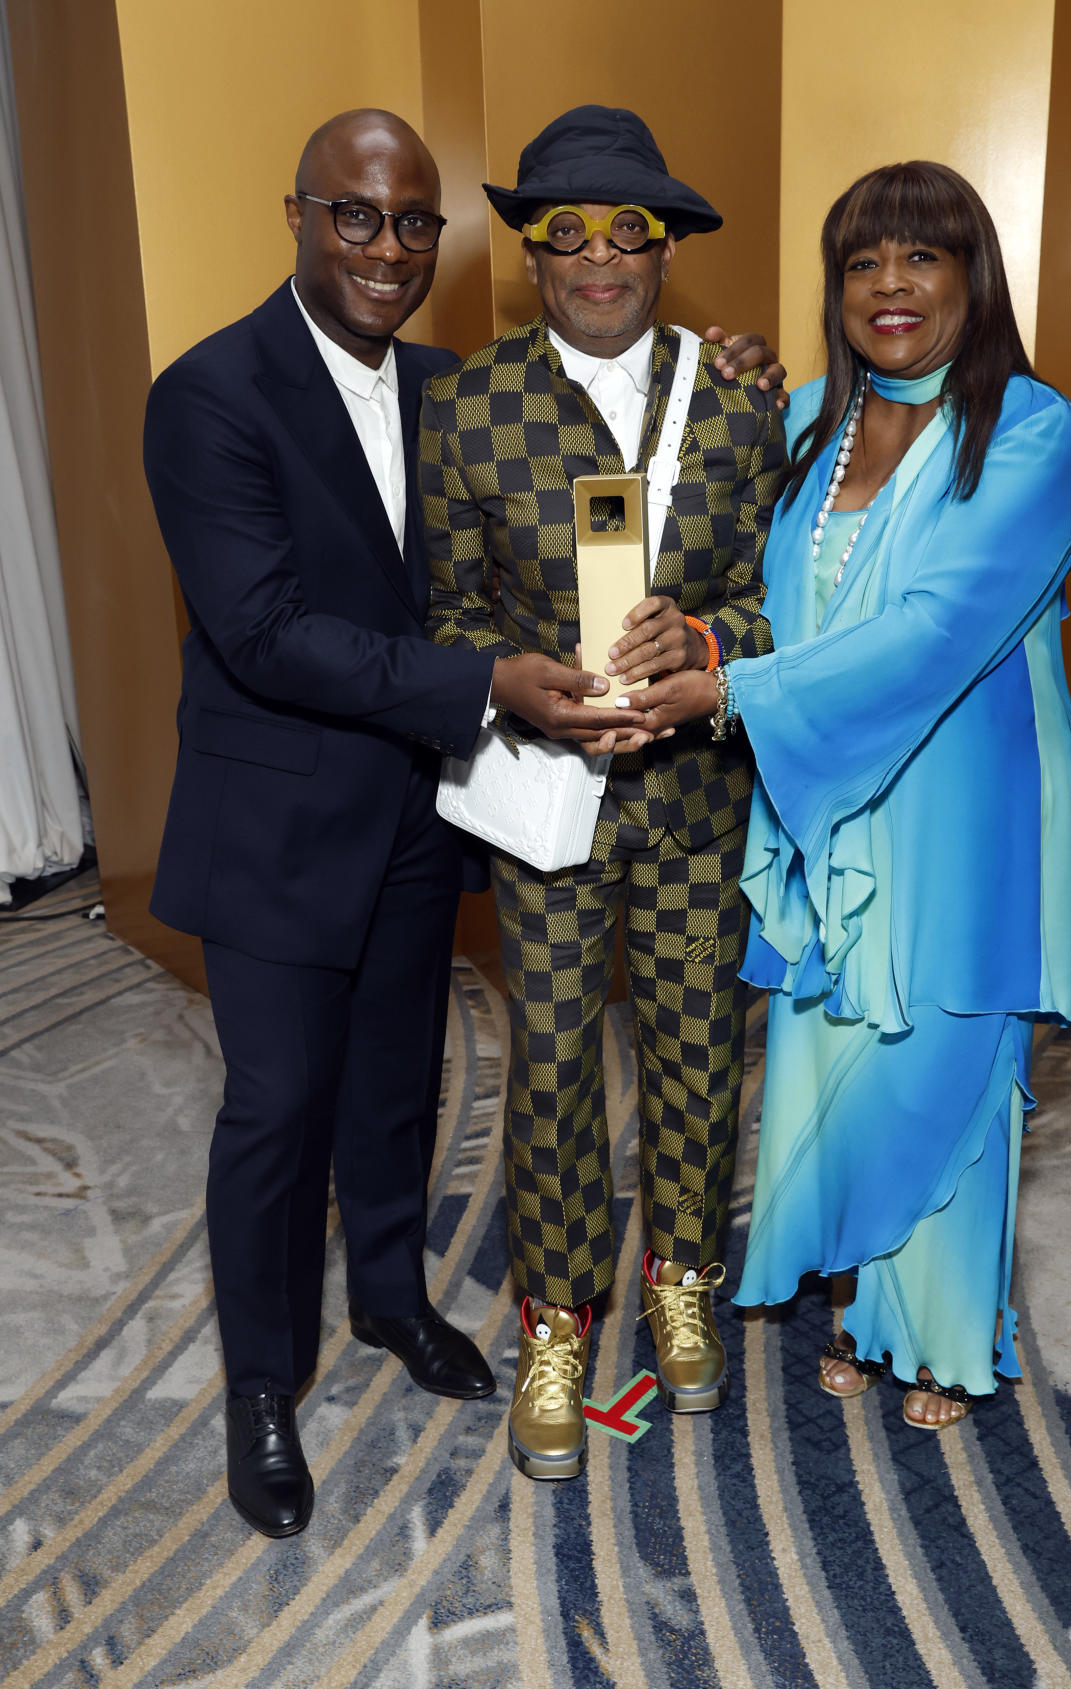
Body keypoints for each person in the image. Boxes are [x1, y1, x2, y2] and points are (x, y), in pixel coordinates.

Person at [143, 108, 783, 1536]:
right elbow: (263, 630)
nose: (385, 246)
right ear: (300, 213)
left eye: (411, 224)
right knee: (272, 1109)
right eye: (356, 217)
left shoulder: (446, 385)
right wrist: (492, 680)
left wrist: (744, 369)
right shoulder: (213, 392)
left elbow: (719, 524)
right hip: (298, 814)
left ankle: (392, 1301)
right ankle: (263, 1387)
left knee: (398, 1088)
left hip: (434, 809)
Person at [631, 161, 1071, 1430]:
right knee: (836, 1046)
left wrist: (729, 702)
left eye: (922, 257)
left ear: (970, 278)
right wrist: (725, 398)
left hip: (963, 805)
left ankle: (941, 1332)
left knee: (941, 1054)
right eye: (861, 262)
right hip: (825, 791)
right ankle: (858, 1289)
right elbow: (766, 609)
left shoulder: (1035, 432)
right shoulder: (806, 434)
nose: (889, 285)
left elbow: (942, 632)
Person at [422, 105, 786, 1480]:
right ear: (526, 250)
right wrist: (513, 673)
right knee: (557, 1060)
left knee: (701, 1045)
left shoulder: (744, 406)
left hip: (700, 796)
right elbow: (447, 610)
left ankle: (680, 1275)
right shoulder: (468, 406)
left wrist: (706, 645)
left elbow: (780, 601)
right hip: (552, 800)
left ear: (666, 246)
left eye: (624, 229)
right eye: (562, 228)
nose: (594, 256)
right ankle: (556, 1316)